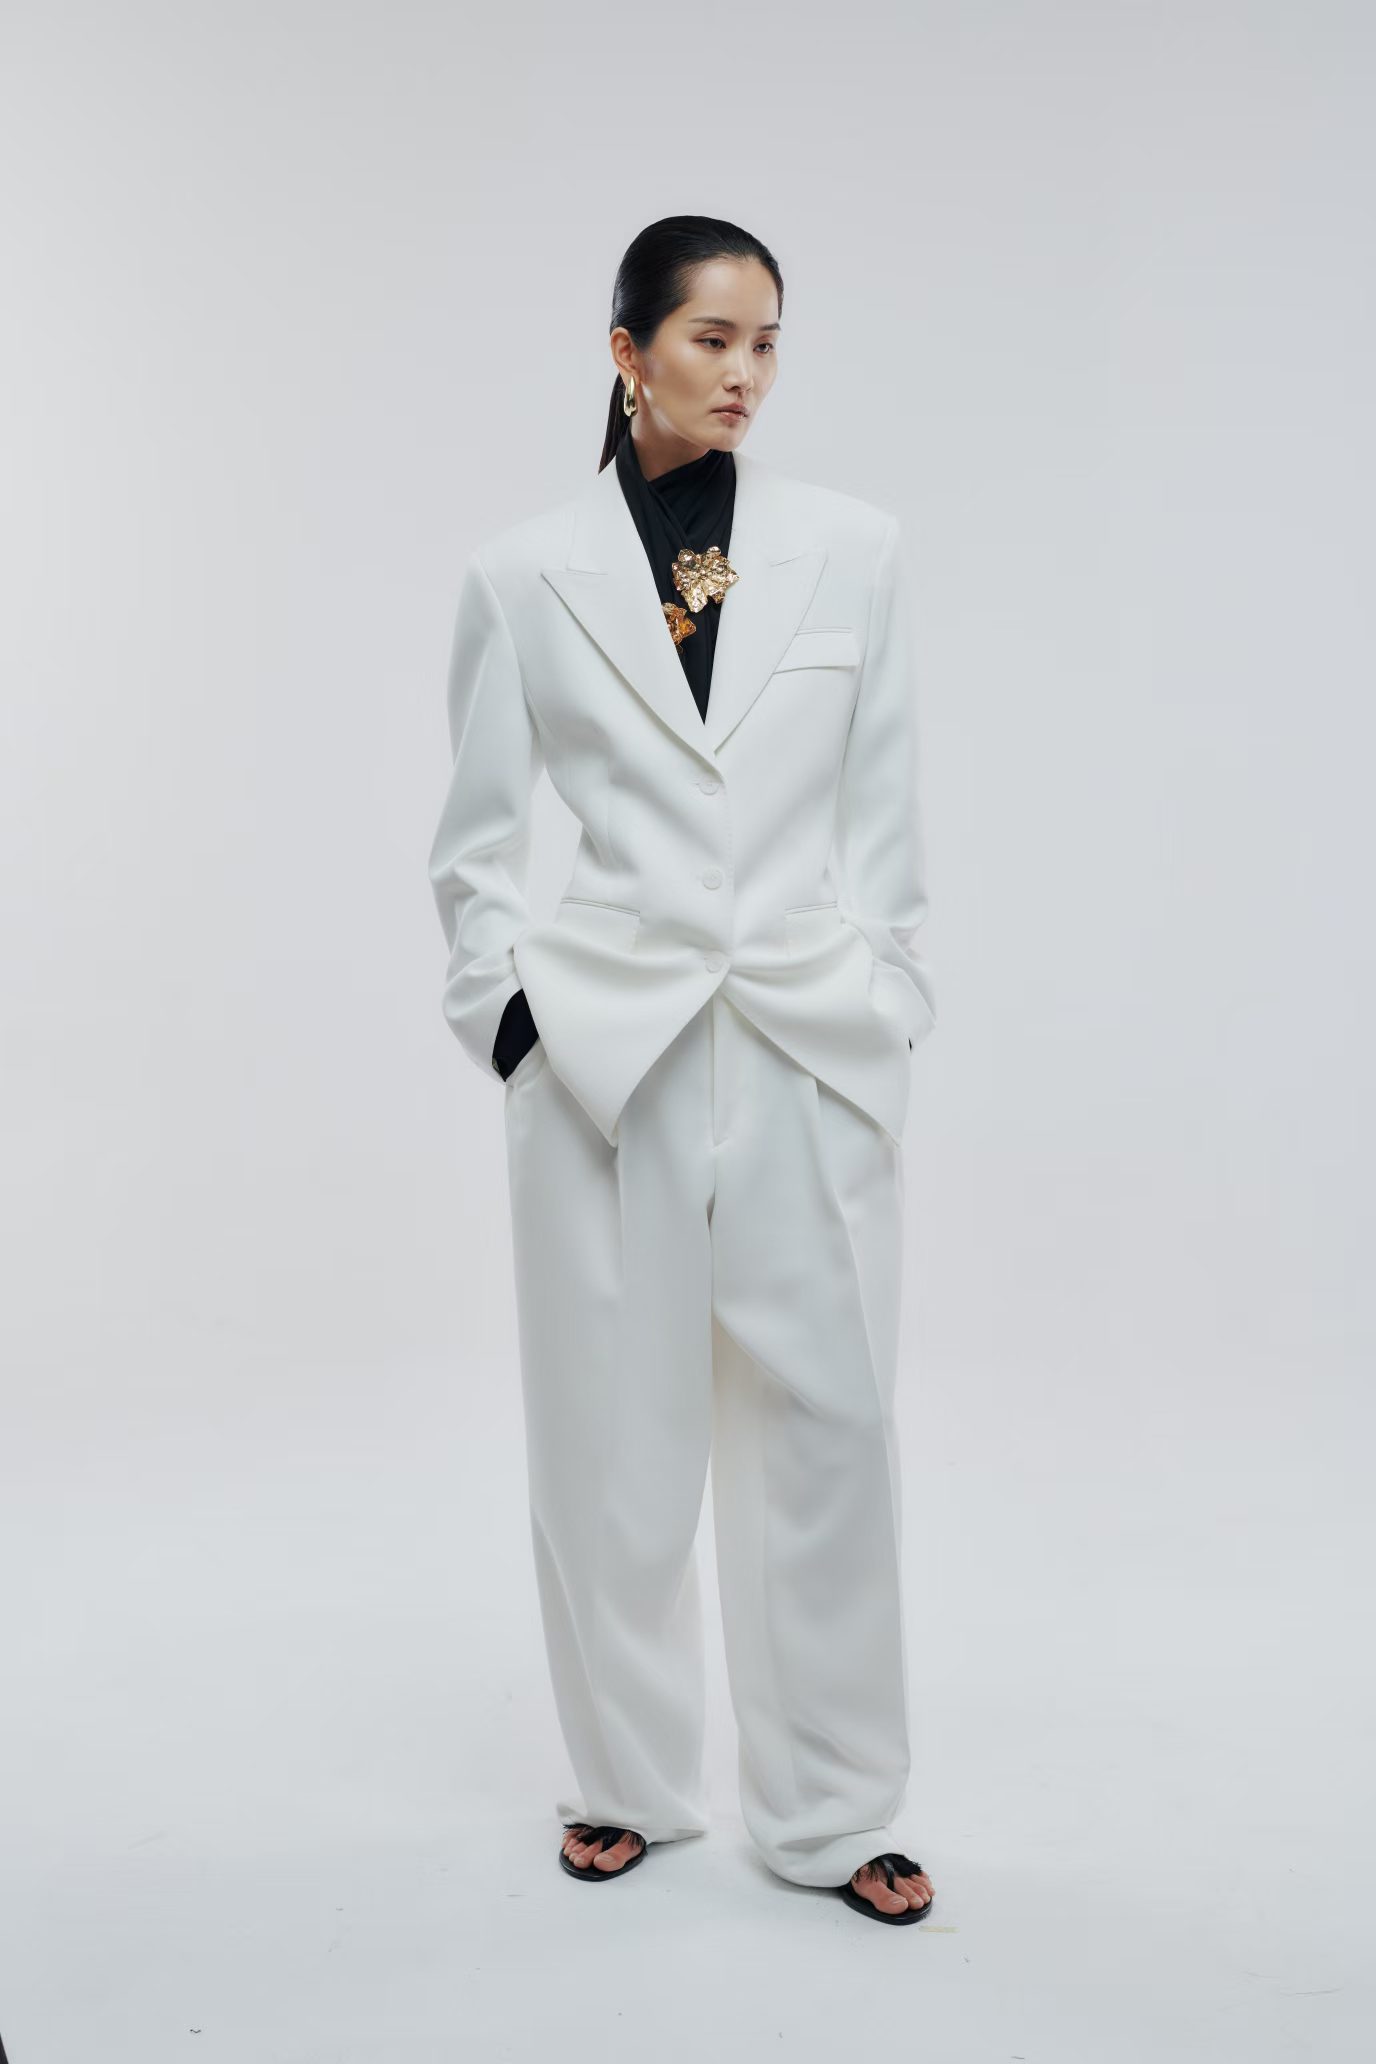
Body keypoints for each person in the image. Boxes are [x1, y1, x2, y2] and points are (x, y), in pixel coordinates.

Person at [427, 216, 937, 1926]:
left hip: (805, 1039)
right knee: (608, 1439)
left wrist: (889, 995)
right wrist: (509, 1022)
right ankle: (629, 1785)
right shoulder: (523, 573)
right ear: (628, 349)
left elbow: (888, 811)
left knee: (830, 1429)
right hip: (605, 1055)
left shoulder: (853, 550)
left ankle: (835, 1811)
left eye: (767, 341)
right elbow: (477, 842)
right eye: (712, 337)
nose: (745, 372)